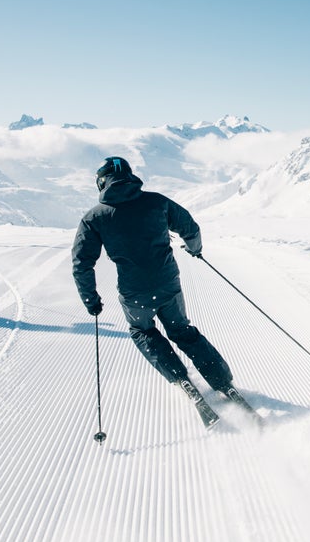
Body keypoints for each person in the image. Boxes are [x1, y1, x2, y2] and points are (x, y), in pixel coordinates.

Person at [72, 156, 255, 426]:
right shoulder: (156, 201)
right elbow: (190, 227)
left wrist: (91, 299)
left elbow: (81, 263)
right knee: (183, 332)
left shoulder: (94, 217)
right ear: (130, 177)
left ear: (101, 181)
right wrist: (195, 250)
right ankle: (223, 384)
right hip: (167, 283)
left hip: (134, 292)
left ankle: (183, 382)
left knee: (143, 332)